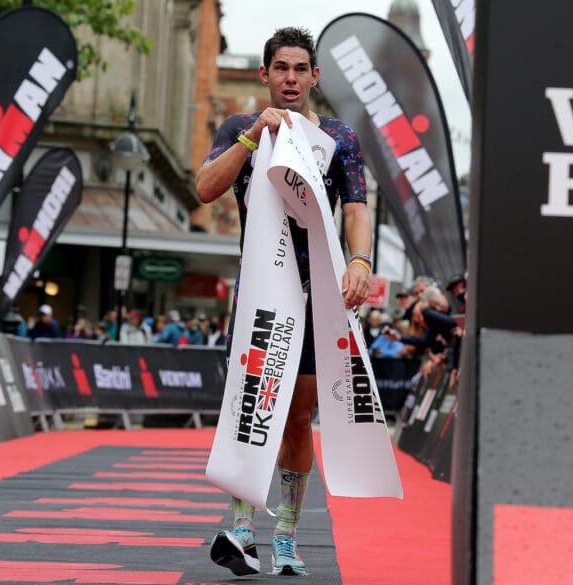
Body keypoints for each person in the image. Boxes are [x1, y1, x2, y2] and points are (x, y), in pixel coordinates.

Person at [195, 26, 371, 577]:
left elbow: (356, 208)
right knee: (250, 408)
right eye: (280, 69)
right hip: (260, 294)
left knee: (296, 419)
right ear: (265, 74)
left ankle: (288, 537)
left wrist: (361, 262)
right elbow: (205, 188)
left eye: (300, 69)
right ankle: (242, 531)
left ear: (314, 76)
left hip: (318, 295)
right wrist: (252, 138)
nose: (290, 79)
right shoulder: (239, 127)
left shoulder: (339, 137)